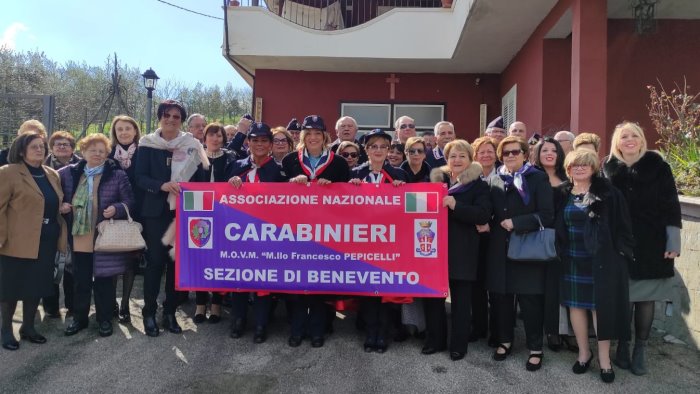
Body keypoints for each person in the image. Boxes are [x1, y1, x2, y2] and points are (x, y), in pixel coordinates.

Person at [603, 122, 682, 376]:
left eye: (634, 135)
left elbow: (671, 204)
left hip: (652, 242)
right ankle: (623, 346)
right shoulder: (608, 168)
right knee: (623, 297)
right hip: (618, 243)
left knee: (646, 298)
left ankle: (640, 350)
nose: (629, 139)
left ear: (641, 139)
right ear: (617, 141)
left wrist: (673, 241)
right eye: (624, 136)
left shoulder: (658, 166)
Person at [554, 149, 634, 383]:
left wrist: (621, 253)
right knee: (576, 308)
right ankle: (583, 353)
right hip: (571, 259)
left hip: (601, 260)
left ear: (593, 168)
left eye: (585, 165)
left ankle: (604, 359)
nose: (579, 168)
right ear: (568, 170)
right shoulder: (562, 194)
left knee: (600, 308)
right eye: (574, 166)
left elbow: (623, 226)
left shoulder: (608, 193)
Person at [135, 99, 209, 337]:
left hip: (182, 211)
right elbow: (140, 177)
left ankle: (169, 312)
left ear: (181, 120)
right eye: (166, 115)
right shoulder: (147, 143)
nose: (171, 120)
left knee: (175, 263)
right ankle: (149, 312)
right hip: (155, 212)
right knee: (155, 262)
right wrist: (161, 185)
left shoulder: (192, 145)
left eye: (176, 116)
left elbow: (202, 177)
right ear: (160, 117)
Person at [282, 115, 349, 348]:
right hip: (296, 231)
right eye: (308, 133)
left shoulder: (339, 163)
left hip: (327, 232)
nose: (312, 137)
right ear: (303, 136)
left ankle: (318, 330)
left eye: (317, 134)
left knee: (321, 283)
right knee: (298, 283)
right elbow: (276, 196)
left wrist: (333, 188)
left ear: (325, 137)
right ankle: (298, 329)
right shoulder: (290, 160)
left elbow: (350, 197)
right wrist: (292, 183)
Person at [487, 136, 554, 371]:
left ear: (525, 154)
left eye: (516, 152)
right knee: (502, 298)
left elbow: (547, 214)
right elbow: (489, 211)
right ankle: (505, 341)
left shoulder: (537, 178)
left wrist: (516, 222)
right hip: (499, 249)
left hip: (527, 247)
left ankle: (535, 348)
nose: (511, 156)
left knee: (530, 300)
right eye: (506, 153)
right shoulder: (495, 178)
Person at [60, 134, 135, 338]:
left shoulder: (116, 174)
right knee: (81, 280)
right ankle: (80, 319)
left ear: (107, 154)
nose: (97, 154)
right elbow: (55, 196)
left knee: (104, 279)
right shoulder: (67, 174)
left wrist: (117, 208)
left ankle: (104, 319)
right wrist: (62, 205)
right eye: (92, 150)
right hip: (79, 234)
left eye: (102, 151)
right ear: (82, 152)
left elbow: (129, 201)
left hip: (104, 235)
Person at [425, 139, 491, 361]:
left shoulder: (479, 185)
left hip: (463, 250)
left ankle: (458, 346)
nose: (457, 160)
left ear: (470, 159)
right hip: (433, 249)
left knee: (461, 302)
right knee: (433, 298)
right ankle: (435, 341)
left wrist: (456, 206)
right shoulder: (436, 180)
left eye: (462, 156)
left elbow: (482, 215)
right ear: (446, 159)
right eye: (453, 155)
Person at [0, 132, 67, 351]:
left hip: (46, 240)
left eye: (42, 146)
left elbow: (53, 202)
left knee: (35, 286)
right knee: (11, 288)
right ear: (21, 150)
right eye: (34, 147)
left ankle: (28, 327)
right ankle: (6, 330)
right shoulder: (9, 173)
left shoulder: (51, 174)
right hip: (16, 241)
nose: (40, 150)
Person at [349, 129, 408, 353]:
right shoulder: (354, 174)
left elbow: (408, 208)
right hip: (363, 241)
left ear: (389, 150)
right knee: (368, 290)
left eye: (383, 146)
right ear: (366, 149)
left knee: (384, 291)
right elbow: (341, 208)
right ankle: (370, 332)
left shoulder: (399, 175)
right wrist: (349, 190)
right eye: (373, 146)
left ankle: (382, 334)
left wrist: (401, 192)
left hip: (389, 242)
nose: (379, 151)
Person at [227, 122, 284, 343]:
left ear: (270, 144)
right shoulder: (236, 165)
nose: (259, 144)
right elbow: (221, 195)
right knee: (240, 277)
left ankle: (261, 323)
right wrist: (229, 185)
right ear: (248, 142)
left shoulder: (278, 170)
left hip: (268, 234)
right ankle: (238, 320)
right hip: (239, 232)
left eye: (263, 140)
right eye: (255, 140)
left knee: (263, 280)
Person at [532, 136, 576, 353]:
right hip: (541, 240)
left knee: (562, 287)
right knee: (544, 288)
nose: (549, 153)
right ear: (537, 154)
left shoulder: (568, 178)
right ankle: (551, 331)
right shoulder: (532, 178)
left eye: (554, 150)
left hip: (567, 240)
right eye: (544, 150)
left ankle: (567, 331)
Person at [193, 123, 237, 325]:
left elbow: (235, 183)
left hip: (223, 215)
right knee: (201, 259)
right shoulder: (194, 155)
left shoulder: (231, 158)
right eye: (212, 135)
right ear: (205, 137)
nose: (216, 139)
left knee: (220, 260)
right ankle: (200, 304)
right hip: (198, 214)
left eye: (219, 136)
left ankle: (217, 304)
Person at [108, 115, 143, 324]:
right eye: (119, 129)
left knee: (130, 260)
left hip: (136, 212)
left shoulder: (144, 152)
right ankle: (112, 302)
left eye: (127, 128)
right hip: (112, 212)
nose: (123, 132)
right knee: (111, 257)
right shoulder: (109, 153)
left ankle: (125, 304)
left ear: (135, 131)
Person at [42, 130, 80, 318]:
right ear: (51, 148)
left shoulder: (82, 165)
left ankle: (73, 306)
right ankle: (51, 307)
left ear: (73, 148)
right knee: (51, 263)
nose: (62, 147)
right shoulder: (42, 166)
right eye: (58, 144)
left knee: (73, 266)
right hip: (50, 221)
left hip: (75, 220)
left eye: (66, 144)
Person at [470, 136, 500, 345]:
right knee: (477, 286)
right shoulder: (469, 178)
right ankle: (479, 327)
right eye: (482, 152)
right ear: (475, 156)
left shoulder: (505, 176)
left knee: (496, 287)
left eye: (490, 151)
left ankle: (498, 332)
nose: (486, 155)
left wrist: (492, 224)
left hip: (498, 237)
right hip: (475, 239)